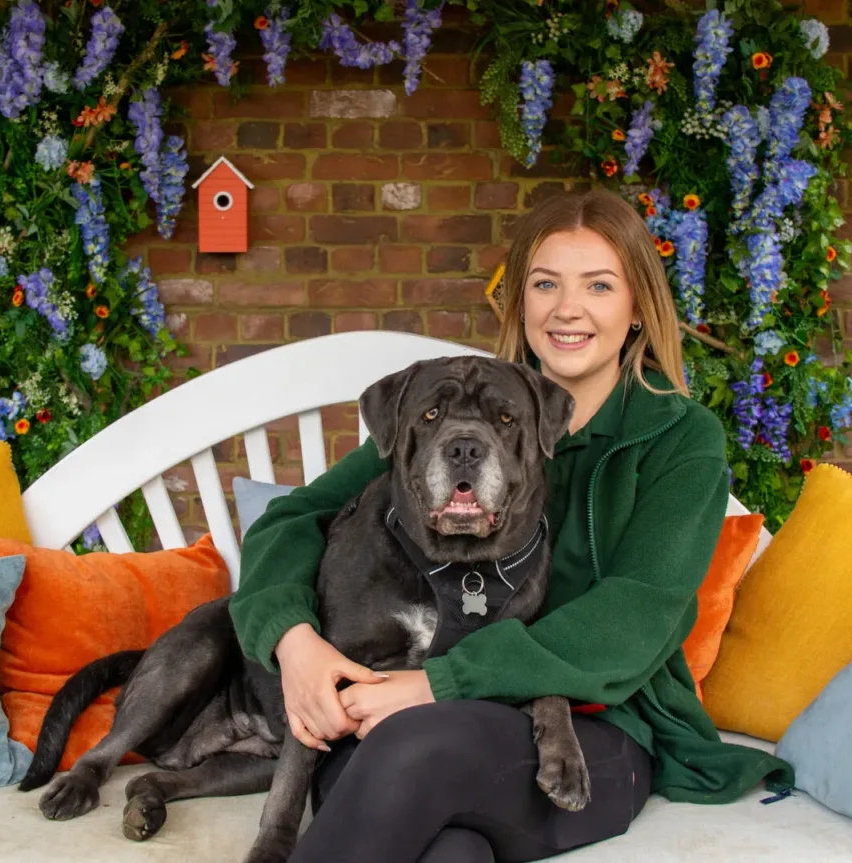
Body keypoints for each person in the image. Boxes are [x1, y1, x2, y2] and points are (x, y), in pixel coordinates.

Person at [229, 188, 792, 862]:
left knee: (412, 749)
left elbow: (638, 614)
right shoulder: (462, 405)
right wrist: (293, 643)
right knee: (451, 853)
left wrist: (440, 683)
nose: (568, 308)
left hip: (595, 727)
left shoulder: (679, 440)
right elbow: (293, 517)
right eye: (546, 283)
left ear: (638, 306)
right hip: (424, 714)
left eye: (599, 285)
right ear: (521, 303)